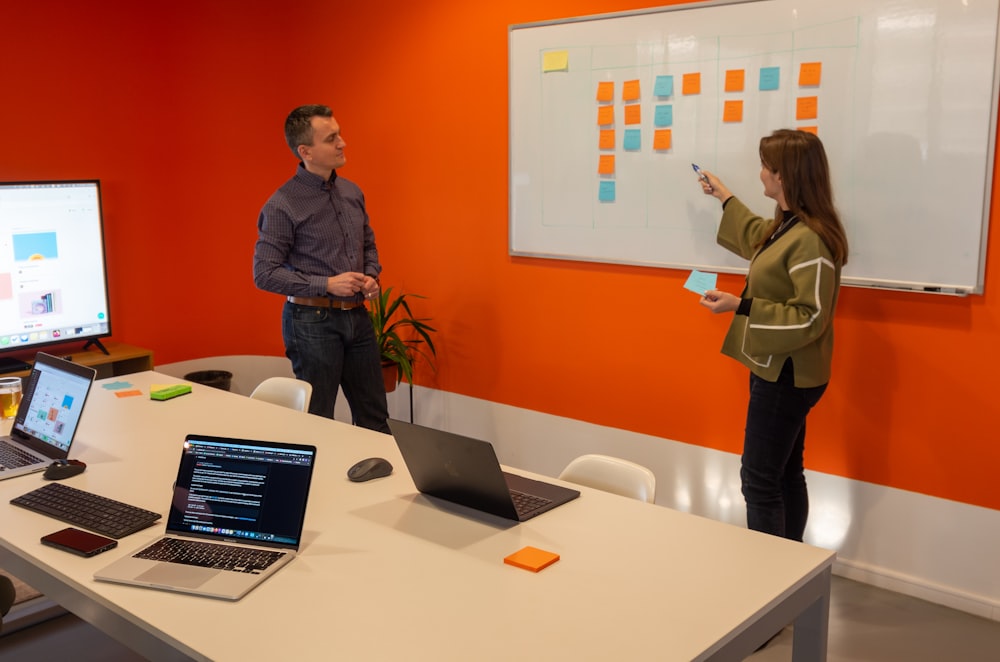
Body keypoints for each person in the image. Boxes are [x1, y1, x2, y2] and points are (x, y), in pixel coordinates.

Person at [695, 129, 849, 541]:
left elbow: (809, 317)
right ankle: (791, 565)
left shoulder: (811, 241)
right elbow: (756, 238)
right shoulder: (788, 226)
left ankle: (770, 575)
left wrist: (739, 305)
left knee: (760, 480)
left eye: (766, 166)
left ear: (784, 176)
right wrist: (723, 196)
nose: (760, 173)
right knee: (784, 473)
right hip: (780, 369)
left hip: (787, 376)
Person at [253, 104, 390, 433]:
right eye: (331, 139)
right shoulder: (282, 204)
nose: (343, 143)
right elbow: (264, 273)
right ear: (306, 151)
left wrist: (371, 276)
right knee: (318, 422)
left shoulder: (351, 192)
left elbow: (367, 244)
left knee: (375, 418)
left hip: (357, 316)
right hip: (311, 323)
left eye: (339, 134)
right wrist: (326, 284)